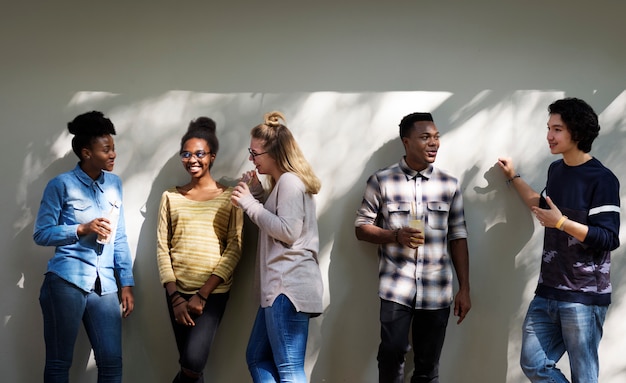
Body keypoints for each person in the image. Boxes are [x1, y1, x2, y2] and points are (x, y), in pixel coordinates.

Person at [497, 97, 620, 383]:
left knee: (584, 377)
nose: (549, 136)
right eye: (549, 128)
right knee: (534, 363)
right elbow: (540, 205)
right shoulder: (556, 170)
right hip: (548, 291)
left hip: (584, 297)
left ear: (576, 132)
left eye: (557, 129)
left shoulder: (602, 179)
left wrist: (561, 223)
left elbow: (608, 237)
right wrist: (512, 176)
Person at [355, 112, 471, 383]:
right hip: (396, 287)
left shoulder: (449, 184)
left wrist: (464, 288)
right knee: (392, 353)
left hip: (437, 288)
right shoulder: (381, 180)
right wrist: (395, 236)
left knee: (428, 367)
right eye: (425, 137)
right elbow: (361, 228)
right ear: (406, 142)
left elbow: (458, 236)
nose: (434, 143)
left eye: (436, 137)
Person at [33, 111, 135, 383]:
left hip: (105, 287)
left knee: (112, 363)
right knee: (58, 363)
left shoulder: (115, 184)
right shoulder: (60, 185)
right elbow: (41, 234)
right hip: (66, 281)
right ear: (87, 153)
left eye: (113, 147)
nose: (113, 154)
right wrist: (82, 228)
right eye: (106, 149)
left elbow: (120, 236)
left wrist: (126, 283)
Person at [230, 111, 323, 383]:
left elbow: (288, 231)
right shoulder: (283, 184)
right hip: (280, 289)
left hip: (287, 288)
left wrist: (249, 203)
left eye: (254, 152)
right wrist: (258, 195)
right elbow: (279, 223)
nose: (251, 158)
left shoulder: (290, 182)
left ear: (274, 153)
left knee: (290, 368)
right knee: (257, 357)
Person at [157, 117, 243, 383]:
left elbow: (236, 247)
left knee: (192, 363)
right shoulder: (170, 196)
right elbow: (162, 248)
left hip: (212, 294)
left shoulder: (232, 196)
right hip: (177, 294)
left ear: (212, 157)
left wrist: (202, 295)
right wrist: (175, 297)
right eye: (186, 154)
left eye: (199, 154)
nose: (192, 159)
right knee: (191, 367)